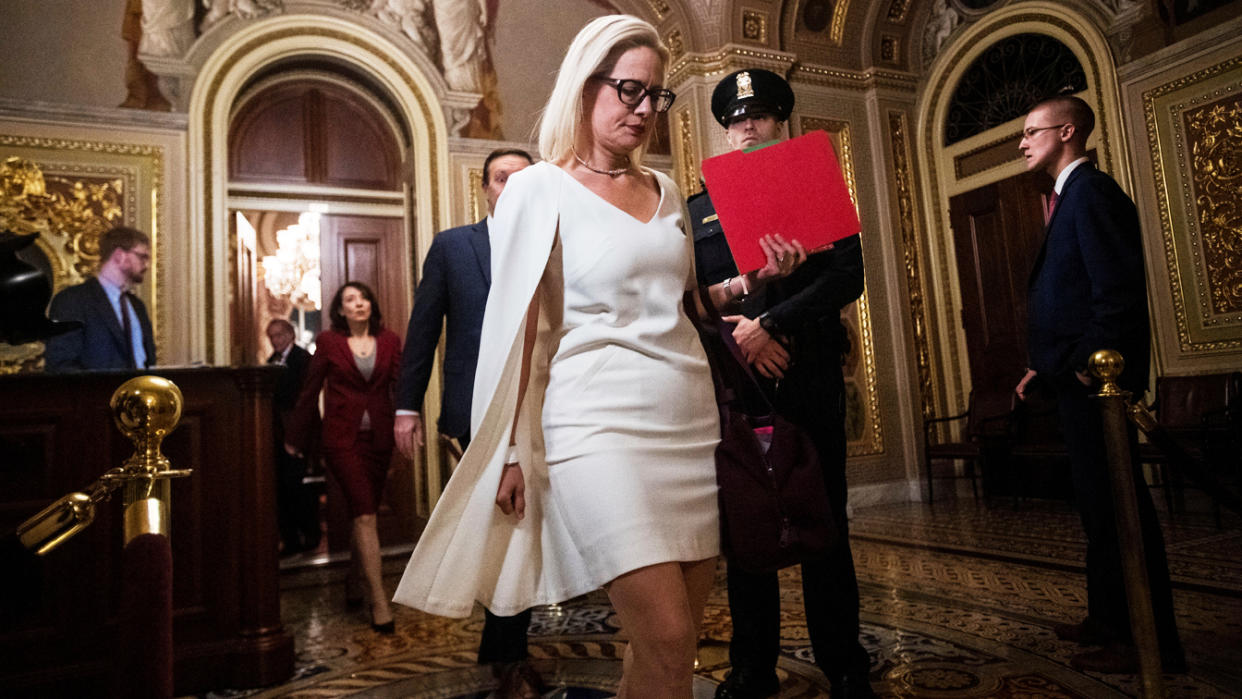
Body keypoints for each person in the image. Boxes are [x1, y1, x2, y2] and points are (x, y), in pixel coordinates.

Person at [393, 16, 802, 695]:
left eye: (657, 96)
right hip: (594, 428)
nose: (645, 110)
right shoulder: (537, 189)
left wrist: (749, 283)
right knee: (668, 636)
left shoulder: (667, 190)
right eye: (630, 91)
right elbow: (516, 327)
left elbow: (685, 303)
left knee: (664, 648)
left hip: (689, 424)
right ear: (585, 88)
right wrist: (513, 450)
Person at [688, 69, 873, 699]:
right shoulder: (698, 207)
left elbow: (849, 277)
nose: (749, 127)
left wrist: (773, 322)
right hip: (744, 388)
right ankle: (751, 666)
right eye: (739, 120)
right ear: (725, 130)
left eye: (761, 117)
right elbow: (695, 302)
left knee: (828, 523)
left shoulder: (816, 183)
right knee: (748, 530)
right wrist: (747, 328)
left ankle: (844, 663)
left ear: (779, 123)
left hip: (810, 373)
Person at [1015, 94, 1184, 674]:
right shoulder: (1069, 198)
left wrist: (1093, 359)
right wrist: (1049, 361)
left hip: (1099, 385)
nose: (1022, 142)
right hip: (1074, 376)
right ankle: (1107, 619)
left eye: (1031, 132)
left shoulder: (1092, 193)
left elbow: (1114, 289)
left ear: (1066, 132)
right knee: (1095, 507)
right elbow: (1073, 292)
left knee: (1118, 509)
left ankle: (1146, 640)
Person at [394, 147, 534, 665]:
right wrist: (405, 406)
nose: (512, 189)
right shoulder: (454, 247)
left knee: (524, 526)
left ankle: (504, 646)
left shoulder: (554, 244)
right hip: (476, 407)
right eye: (502, 179)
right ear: (485, 189)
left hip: (545, 404)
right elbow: (423, 330)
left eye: (523, 180)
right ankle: (506, 652)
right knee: (508, 521)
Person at [286, 282, 402, 633]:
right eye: (350, 300)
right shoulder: (329, 343)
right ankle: (379, 600)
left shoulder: (390, 341)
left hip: (379, 439)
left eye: (364, 297)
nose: (359, 303)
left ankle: (353, 580)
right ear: (340, 310)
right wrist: (295, 438)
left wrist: (409, 423)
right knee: (366, 514)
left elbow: (401, 385)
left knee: (361, 512)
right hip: (341, 440)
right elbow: (310, 390)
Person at [45, 226, 156, 372]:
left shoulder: (137, 306)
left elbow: (147, 361)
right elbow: (61, 365)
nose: (147, 265)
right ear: (119, 256)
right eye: (142, 257)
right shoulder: (72, 301)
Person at [267, 318, 319, 556]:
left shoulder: (303, 359)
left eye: (278, 335)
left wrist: (297, 437)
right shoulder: (271, 362)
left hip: (299, 433)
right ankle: (290, 540)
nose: (275, 340)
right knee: (283, 489)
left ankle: (310, 536)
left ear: (290, 334)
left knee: (300, 489)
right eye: (271, 336)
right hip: (277, 433)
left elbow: (302, 400)